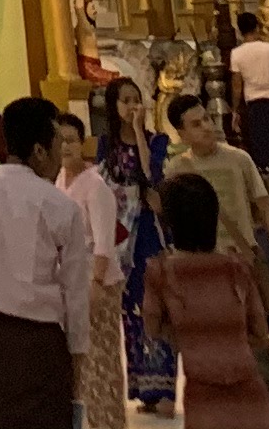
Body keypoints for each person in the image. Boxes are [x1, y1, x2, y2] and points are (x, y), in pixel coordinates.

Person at [0, 96, 93, 429]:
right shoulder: (61, 207)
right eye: (57, 145)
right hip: (43, 345)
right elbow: (76, 291)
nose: (59, 156)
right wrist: (77, 356)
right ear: (40, 151)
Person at [155, 103, 269, 427]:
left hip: (242, 265)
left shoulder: (239, 159)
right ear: (181, 133)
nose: (207, 127)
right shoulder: (176, 170)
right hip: (201, 275)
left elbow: (265, 208)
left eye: (208, 119)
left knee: (259, 350)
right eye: (196, 124)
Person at [135, 176, 265, 429]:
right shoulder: (237, 268)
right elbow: (259, 334)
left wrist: (189, 335)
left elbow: (152, 328)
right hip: (250, 394)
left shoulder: (160, 272)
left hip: (203, 395)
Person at [43, 110, 131, 429]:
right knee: (78, 364)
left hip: (98, 282)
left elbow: (104, 243)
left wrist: (95, 284)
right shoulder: (58, 182)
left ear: (83, 144)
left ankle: (109, 423)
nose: (65, 147)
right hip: (68, 281)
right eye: (59, 140)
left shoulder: (95, 187)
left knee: (101, 361)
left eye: (71, 140)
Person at [87, 83, 170, 417]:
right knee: (129, 311)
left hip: (147, 230)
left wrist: (138, 132)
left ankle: (163, 385)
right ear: (114, 105)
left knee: (153, 304)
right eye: (126, 101)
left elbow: (151, 174)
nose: (133, 106)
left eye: (137, 100)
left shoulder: (156, 141)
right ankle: (142, 386)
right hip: (118, 234)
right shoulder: (105, 145)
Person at [221, 27, 269, 174]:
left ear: (240, 31)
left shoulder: (237, 52)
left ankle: (265, 175)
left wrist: (235, 109)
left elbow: (237, 84)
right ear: (257, 29)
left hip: (255, 102)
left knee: (261, 143)